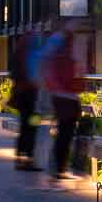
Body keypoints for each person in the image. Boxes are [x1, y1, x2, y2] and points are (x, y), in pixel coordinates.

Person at [38, 28, 87, 180]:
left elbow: (50, 78)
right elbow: (77, 83)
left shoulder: (55, 57)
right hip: (68, 101)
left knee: (63, 133)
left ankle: (58, 167)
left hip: (59, 99)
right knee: (65, 134)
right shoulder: (68, 58)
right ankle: (59, 168)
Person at [7, 32, 43, 171]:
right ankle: (28, 159)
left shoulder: (17, 55)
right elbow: (37, 75)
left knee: (25, 126)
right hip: (31, 96)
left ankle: (20, 158)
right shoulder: (32, 55)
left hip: (22, 96)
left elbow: (12, 73)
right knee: (31, 126)